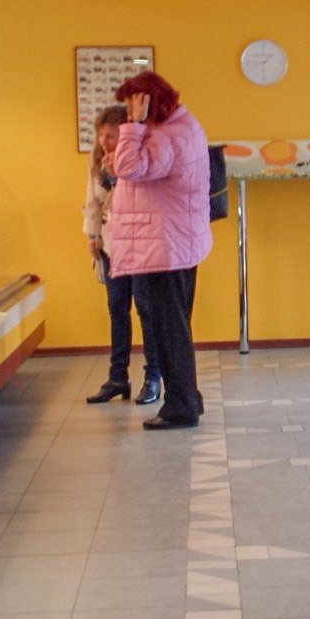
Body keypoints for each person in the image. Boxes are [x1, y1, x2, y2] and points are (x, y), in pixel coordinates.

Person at [103, 71, 212, 430]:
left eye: (131, 105)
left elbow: (132, 167)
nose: (128, 112)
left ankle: (180, 406)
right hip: (175, 244)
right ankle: (188, 397)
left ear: (147, 102)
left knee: (168, 331)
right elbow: (139, 172)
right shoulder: (181, 127)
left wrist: (133, 126)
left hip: (164, 248)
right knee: (175, 327)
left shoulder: (166, 134)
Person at [84, 104, 162, 405]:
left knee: (146, 309)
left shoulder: (137, 159)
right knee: (117, 308)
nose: (104, 141)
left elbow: (141, 198)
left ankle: (153, 376)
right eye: (100, 135)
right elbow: (92, 201)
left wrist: (117, 174)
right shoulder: (97, 161)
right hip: (111, 244)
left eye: (110, 135)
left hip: (139, 245)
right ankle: (117, 377)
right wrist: (92, 236)